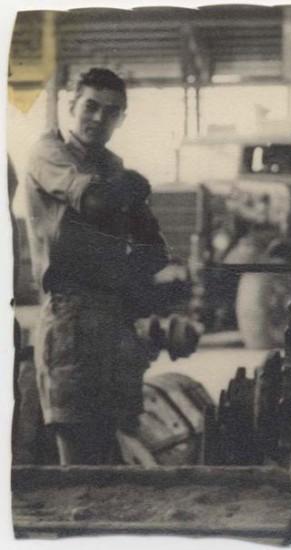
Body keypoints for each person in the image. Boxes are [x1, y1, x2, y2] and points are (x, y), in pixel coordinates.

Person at [25, 68, 169, 464]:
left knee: (114, 445)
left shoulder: (113, 168)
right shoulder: (48, 152)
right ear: (71, 105)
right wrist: (132, 191)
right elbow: (94, 201)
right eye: (90, 106)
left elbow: (152, 249)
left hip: (114, 314)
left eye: (111, 112)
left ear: (120, 119)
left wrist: (141, 279)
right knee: (76, 451)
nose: (98, 119)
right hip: (70, 314)